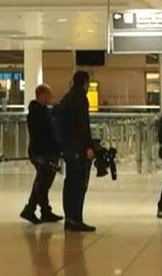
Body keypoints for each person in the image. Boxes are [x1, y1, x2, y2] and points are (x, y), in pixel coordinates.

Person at [54, 70, 96, 233]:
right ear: (85, 82)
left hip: (68, 147)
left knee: (70, 182)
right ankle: (76, 218)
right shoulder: (81, 99)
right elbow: (83, 126)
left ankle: (70, 218)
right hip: (78, 148)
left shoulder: (67, 97)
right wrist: (89, 146)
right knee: (79, 184)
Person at [21, 83, 63, 225]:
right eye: (48, 95)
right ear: (42, 95)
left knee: (44, 181)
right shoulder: (36, 114)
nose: (50, 98)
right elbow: (43, 133)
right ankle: (30, 208)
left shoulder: (44, 112)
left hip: (46, 151)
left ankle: (45, 210)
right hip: (41, 152)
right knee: (42, 182)